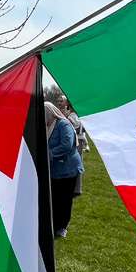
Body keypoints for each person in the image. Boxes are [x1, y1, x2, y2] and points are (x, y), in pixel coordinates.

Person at [46, 102, 83, 239]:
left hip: (68, 169)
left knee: (65, 199)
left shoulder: (63, 124)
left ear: (51, 112)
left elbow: (67, 145)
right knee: (55, 198)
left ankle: (62, 227)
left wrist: (49, 153)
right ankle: (54, 224)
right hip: (56, 169)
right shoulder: (49, 126)